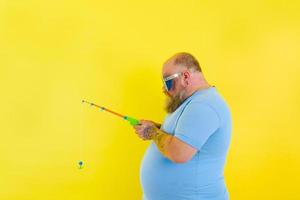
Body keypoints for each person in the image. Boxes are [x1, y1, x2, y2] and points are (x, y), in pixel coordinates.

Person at [133, 52, 232, 200]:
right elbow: (183, 137)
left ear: (185, 77)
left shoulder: (204, 105)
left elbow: (178, 153)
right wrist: (157, 128)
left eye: (168, 82)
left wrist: (153, 133)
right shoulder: (191, 102)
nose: (164, 89)